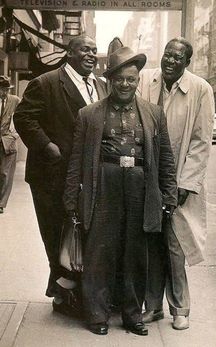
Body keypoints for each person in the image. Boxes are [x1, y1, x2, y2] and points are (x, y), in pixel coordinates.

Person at [63, 46, 177, 336]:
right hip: (103, 185)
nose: (125, 85)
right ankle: (97, 315)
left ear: (138, 80)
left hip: (140, 187)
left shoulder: (153, 113)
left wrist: (169, 196)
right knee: (100, 251)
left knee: (135, 253)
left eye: (131, 79)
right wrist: (71, 199)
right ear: (110, 80)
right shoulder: (88, 114)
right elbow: (76, 159)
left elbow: (165, 158)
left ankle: (131, 314)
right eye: (119, 80)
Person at [13, 34, 107, 316]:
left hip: (86, 175)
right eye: (84, 50)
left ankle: (68, 291)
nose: (91, 55)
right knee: (56, 234)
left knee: (81, 234)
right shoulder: (46, 83)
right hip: (51, 175)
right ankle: (64, 294)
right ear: (69, 53)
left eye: (94, 50)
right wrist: (47, 146)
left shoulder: (100, 86)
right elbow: (23, 118)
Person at [138, 37, 215, 330]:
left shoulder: (201, 89)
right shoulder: (148, 79)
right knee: (150, 245)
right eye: (166, 55)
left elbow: (201, 141)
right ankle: (153, 306)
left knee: (175, 246)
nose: (169, 61)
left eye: (176, 57)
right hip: (147, 178)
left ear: (187, 62)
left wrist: (185, 184)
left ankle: (180, 308)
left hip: (180, 181)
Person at [0, 76, 20, 213]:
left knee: (4, 173)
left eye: (7, 89)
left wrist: (14, 135)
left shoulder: (16, 101)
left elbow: (24, 118)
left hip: (8, 142)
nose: (5, 92)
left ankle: (1, 203)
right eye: (2, 89)